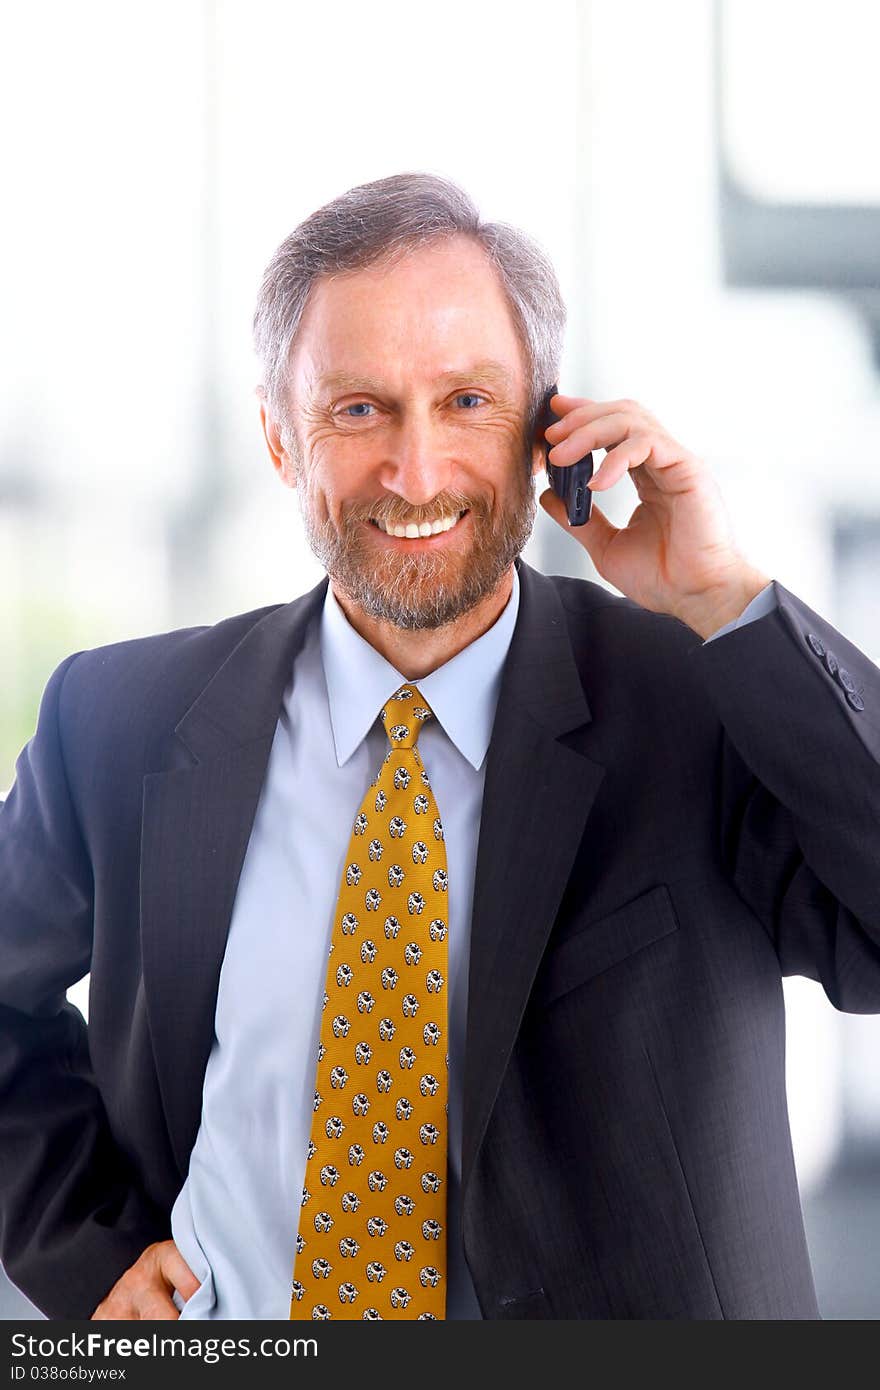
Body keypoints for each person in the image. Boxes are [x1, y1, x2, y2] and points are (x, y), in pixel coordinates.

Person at [1, 172, 878, 1323]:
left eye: (466, 401)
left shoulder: (695, 700)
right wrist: (91, 1247)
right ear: (278, 437)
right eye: (358, 409)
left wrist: (722, 596)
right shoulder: (116, 720)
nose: (416, 475)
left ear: (545, 430)